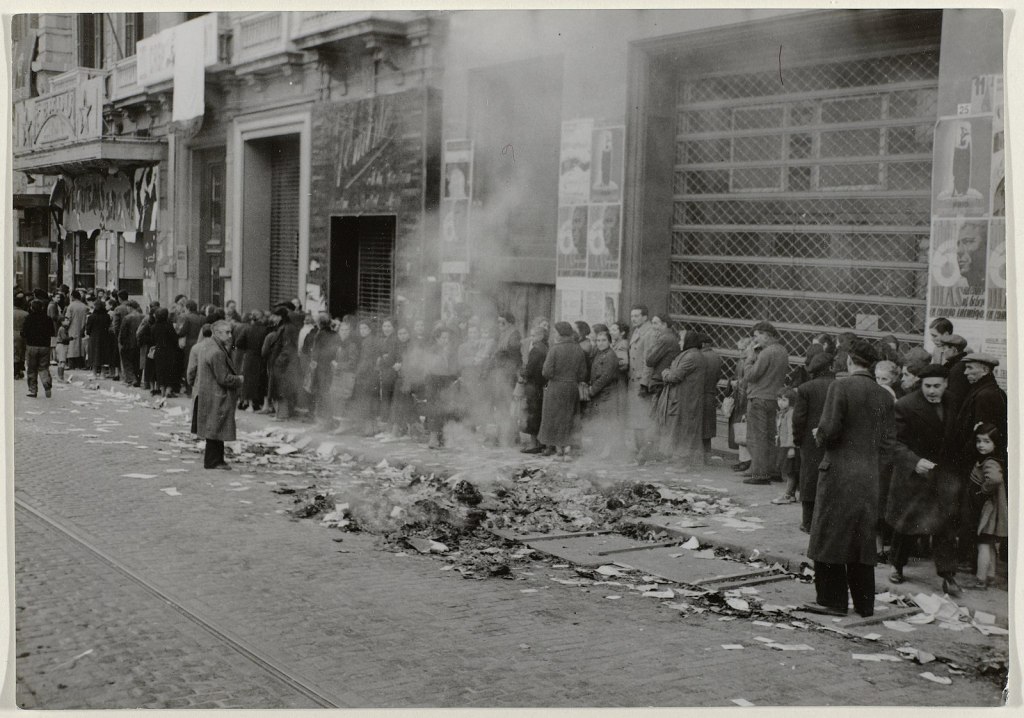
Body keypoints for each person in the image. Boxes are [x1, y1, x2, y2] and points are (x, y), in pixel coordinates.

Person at [803, 339, 895, 618]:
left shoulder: (840, 386)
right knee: (861, 540)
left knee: (829, 535)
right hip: (868, 476)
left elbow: (830, 430)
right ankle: (865, 604)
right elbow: (887, 441)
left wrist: (818, 434)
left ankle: (832, 601)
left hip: (839, 473)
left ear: (850, 362)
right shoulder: (884, 395)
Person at [885, 364, 962, 594]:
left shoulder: (953, 402)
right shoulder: (905, 406)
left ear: (946, 384)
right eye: (927, 386)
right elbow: (892, 442)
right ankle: (897, 566)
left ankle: (948, 576)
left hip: (942, 476)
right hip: (914, 477)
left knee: (945, 526)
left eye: (937, 386)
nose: (932, 391)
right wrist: (914, 461)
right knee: (907, 525)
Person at [950, 353, 1006, 573]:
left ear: (984, 370)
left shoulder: (986, 395)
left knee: (972, 512)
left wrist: (972, 460)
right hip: (978, 462)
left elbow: (983, 434)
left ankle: (968, 560)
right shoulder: (988, 391)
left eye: (970, 368)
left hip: (977, 465)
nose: (965, 373)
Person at [189, 320, 243, 470]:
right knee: (215, 428)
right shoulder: (217, 352)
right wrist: (238, 380)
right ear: (217, 333)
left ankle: (217, 460)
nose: (230, 335)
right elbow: (223, 378)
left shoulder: (207, 346)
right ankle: (213, 461)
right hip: (216, 394)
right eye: (227, 332)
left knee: (215, 428)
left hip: (208, 392)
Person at [742, 321, 790, 485]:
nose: (755, 340)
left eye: (756, 336)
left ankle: (760, 474)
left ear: (765, 335)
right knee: (772, 436)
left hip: (759, 398)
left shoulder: (766, 352)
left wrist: (749, 358)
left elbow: (751, 375)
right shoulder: (782, 351)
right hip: (774, 398)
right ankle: (774, 470)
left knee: (758, 438)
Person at [792, 352, 835, 533]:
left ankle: (808, 522)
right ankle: (827, 521)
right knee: (829, 477)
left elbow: (799, 418)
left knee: (809, 478)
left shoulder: (805, 388)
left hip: (810, 441)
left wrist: (797, 439)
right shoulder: (839, 385)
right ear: (830, 367)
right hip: (833, 439)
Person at [964, 423, 1007, 590]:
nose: (981, 445)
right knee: (989, 545)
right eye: (979, 441)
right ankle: (990, 576)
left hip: (989, 511)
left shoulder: (990, 463)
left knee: (982, 544)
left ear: (995, 444)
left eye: (987, 441)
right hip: (992, 511)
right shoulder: (990, 460)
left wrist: (983, 490)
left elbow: (995, 479)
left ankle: (980, 580)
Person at [655, 330, 706, 468]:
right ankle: (680, 459)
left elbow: (674, 376)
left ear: (689, 340)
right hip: (681, 400)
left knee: (684, 432)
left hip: (685, 401)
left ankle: (683, 462)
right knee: (680, 430)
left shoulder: (691, 356)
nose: (679, 342)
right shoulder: (689, 354)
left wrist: (665, 373)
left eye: (681, 339)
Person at [538, 322, 588, 460]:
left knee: (555, 418)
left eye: (555, 332)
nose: (554, 335)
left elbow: (546, 372)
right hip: (572, 387)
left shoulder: (554, 349)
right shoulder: (578, 349)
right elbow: (582, 374)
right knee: (570, 418)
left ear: (560, 334)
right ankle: (568, 450)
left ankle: (559, 450)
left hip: (556, 387)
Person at [626, 305, 658, 460]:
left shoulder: (649, 333)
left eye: (637, 316)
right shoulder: (637, 331)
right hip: (634, 380)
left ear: (645, 317)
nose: (633, 319)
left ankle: (645, 450)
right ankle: (640, 450)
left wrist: (645, 383)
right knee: (636, 418)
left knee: (644, 418)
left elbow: (649, 361)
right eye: (632, 316)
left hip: (641, 382)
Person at [518, 325, 549, 454]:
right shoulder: (546, 348)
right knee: (539, 414)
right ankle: (540, 442)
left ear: (541, 336)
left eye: (534, 335)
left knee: (532, 414)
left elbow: (529, 370)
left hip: (533, 385)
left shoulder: (536, 350)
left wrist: (522, 372)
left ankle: (533, 444)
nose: (532, 338)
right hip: (541, 385)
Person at [21, 299, 55, 398]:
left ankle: (33, 390)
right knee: (43, 368)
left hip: (31, 346)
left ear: (31, 308)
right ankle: (46, 384)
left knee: (31, 369)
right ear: (42, 308)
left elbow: (24, 333)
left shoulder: (28, 318)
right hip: (44, 346)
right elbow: (52, 332)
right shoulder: (47, 319)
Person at [770, 387, 798, 505]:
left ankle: (787, 495)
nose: (780, 402)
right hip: (784, 445)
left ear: (791, 401)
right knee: (789, 471)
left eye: (784, 400)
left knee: (790, 471)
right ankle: (791, 494)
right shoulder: (782, 413)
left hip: (789, 447)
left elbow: (792, 431)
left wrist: (792, 447)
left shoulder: (790, 413)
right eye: (779, 399)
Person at [698, 333, 723, 464]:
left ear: (702, 344)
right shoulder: (716, 357)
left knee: (699, 427)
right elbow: (718, 376)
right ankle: (707, 456)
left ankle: (699, 457)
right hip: (711, 394)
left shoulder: (701, 357)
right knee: (707, 428)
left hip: (700, 395)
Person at [118, 301, 144, 387]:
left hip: (128, 343)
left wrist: (121, 342)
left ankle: (132, 379)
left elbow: (123, 333)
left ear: (130, 307)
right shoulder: (143, 316)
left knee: (127, 362)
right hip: (139, 343)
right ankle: (138, 379)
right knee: (137, 362)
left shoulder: (127, 318)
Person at [85, 300, 113, 378]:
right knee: (103, 355)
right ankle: (103, 374)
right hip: (105, 338)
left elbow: (88, 329)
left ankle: (94, 373)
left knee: (94, 355)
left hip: (94, 338)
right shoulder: (107, 316)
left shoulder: (91, 317)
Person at [65, 290, 89, 370]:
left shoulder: (70, 306)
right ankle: (81, 364)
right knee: (81, 347)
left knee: (72, 346)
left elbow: (68, 319)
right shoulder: (85, 306)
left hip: (72, 328)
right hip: (82, 328)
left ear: (72, 297)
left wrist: (65, 327)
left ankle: (71, 364)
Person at [55, 315, 71, 382]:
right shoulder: (62, 329)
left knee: (60, 362)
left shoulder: (62, 328)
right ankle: (61, 377)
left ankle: (60, 377)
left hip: (60, 345)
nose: (68, 321)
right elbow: (64, 338)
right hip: (62, 345)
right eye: (66, 320)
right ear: (62, 322)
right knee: (62, 362)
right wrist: (71, 338)